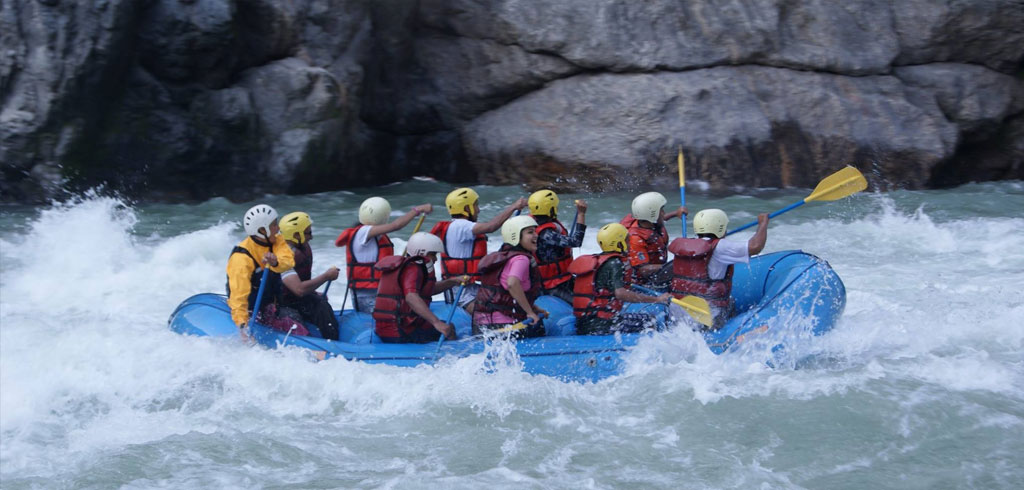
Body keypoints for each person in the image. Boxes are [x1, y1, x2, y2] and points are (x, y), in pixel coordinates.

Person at [667, 208, 769, 329]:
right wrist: (763, 223)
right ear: (720, 227)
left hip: (677, 311)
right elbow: (755, 246)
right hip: (707, 316)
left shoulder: (686, 246)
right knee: (730, 302)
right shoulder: (721, 247)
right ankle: (728, 333)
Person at [430, 188, 527, 312]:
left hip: (470, 288)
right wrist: (514, 207)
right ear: (466, 208)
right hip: (460, 293)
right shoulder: (461, 226)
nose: (478, 210)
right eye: (475, 205)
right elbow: (491, 227)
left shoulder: (456, 226)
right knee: (490, 315)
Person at [569, 223, 673, 335]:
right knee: (651, 321)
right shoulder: (615, 263)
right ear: (619, 244)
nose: (629, 245)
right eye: (627, 241)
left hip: (586, 323)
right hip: (602, 324)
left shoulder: (602, 260)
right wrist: (656, 300)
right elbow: (620, 294)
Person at [335, 197, 432, 313]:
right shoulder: (363, 233)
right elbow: (396, 225)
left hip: (376, 290)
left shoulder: (373, 234)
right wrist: (417, 210)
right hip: (367, 294)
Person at [372, 232, 469, 343]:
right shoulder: (414, 269)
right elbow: (411, 297)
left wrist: (452, 281)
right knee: (449, 328)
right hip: (401, 331)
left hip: (387, 329)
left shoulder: (406, 266)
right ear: (422, 252)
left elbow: (427, 290)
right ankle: (453, 358)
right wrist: (436, 323)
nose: (435, 259)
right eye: (433, 254)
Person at [225, 204, 297, 341]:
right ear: (262, 230)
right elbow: (238, 296)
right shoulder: (241, 258)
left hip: (271, 304)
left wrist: (275, 262)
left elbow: (288, 261)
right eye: (274, 225)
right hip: (251, 309)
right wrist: (242, 326)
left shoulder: (277, 241)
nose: (278, 228)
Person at [472, 216, 548, 338]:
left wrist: (533, 308)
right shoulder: (521, 259)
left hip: (482, 327)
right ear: (515, 236)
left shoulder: (505, 256)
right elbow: (512, 284)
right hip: (502, 328)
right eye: (530, 232)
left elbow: (505, 293)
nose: (536, 235)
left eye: (535, 231)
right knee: (538, 326)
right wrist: (529, 313)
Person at [278, 211, 341, 340]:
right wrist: (326, 276)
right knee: (294, 322)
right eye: (308, 233)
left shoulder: (301, 246)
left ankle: (334, 343)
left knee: (322, 305)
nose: (311, 237)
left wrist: (313, 291)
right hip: (282, 304)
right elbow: (299, 289)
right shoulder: (283, 256)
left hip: (299, 299)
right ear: (296, 235)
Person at [527, 189, 586, 304]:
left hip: (563, 279)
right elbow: (576, 242)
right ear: (551, 209)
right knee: (581, 305)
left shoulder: (533, 224)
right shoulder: (546, 234)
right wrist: (581, 214)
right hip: (551, 285)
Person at [620, 191, 686, 287]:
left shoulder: (649, 222)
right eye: (661, 210)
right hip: (644, 283)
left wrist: (676, 213)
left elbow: (661, 218)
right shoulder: (635, 239)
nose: (664, 212)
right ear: (652, 214)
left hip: (658, 271)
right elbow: (643, 270)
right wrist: (673, 266)